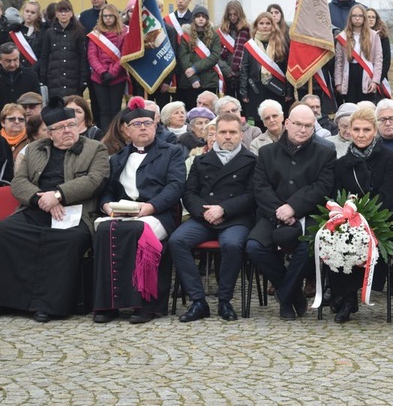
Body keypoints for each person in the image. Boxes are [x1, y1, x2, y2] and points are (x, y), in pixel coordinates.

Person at [0, 96, 109, 322]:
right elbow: (19, 181)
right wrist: (40, 199)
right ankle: (10, 300)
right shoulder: (34, 149)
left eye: (71, 125)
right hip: (36, 208)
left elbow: (95, 180)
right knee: (7, 231)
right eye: (59, 128)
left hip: (75, 212)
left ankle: (48, 306)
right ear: (48, 133)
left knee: (66, 241)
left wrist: (58, 194)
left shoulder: (95, 148)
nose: (67, 131)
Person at [93, 97, 186, 324]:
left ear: (155, 126)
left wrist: (150, 207)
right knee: (104, 231)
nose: (143, 127)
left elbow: (175, 186)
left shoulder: (172, 152)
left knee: (138, 232)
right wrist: (106, 206)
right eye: (137, 124)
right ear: (126, 130)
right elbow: (108, 191)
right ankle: (108, 304)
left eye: (147, 123)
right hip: (123, 212)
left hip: (159, 213)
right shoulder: (117, 159)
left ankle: (145, 305)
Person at [245, 104, 336, 321]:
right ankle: (293, 292)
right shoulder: (267, 152)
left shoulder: (325, 153)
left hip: (309, 215)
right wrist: (280, 210)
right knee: (254, 246)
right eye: (298, 124)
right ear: (287, 123)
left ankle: (284, 295)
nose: (303, 130)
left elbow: (322, 187)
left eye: (309, 126)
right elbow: (260, 187)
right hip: (272, 213)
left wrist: (294, 207)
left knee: (309, 248)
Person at [170, 114, 256, 322]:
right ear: (215, 134)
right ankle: (198, 301)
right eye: (223, 132)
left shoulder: (252, 161)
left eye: (232, 132)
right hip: (204, 218)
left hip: (235, 218)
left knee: (233, 244)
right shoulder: (201, 161)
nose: (228, 136)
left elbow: (253, 195)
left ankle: (224, 300)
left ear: (241, 135)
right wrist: (204, 212)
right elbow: (189, 193)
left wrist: (223, 209)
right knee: (177, 241)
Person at [330, 107, 393, 323]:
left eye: (366, 130)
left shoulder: (390, 158)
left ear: (375, 131)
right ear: (349, 131)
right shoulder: (341, 164)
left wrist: (364, 217)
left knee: (362, 238)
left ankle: (349, 296)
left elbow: (388, 194)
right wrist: (348, 216)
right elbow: (337, 195)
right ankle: (347, 296)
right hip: (349, 218)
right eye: (356, 129)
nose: (361, 134)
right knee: (338, 238)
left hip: (380, 219)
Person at [240, 12, 290, 123]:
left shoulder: (281, 44)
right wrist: (244, 93)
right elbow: (244, 70)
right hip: (256, 89)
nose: (265, 26)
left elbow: (287, 69)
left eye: (268, 23)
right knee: (258, 120)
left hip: (276, 88)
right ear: (256, 25)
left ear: (273, 25)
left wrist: (289, 92)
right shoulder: (250, 45)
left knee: (276, 120)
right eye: (261, 23)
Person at [87, 3, 128, 130]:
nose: (108, 19)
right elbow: (92, 56)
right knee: (103, 110)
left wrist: (112, 72)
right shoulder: (96, 34)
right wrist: (103, 73)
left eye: (110, 16)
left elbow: (124, 55)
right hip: (99, 78)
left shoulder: (124, 33)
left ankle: (116, 136)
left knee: (115, 109)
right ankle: (105, 138)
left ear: (116, 16)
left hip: (118, 77)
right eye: (105, 16)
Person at [38, 0, 89, 100]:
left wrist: (83, 80)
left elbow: (83, 58)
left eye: (66, 11)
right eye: (61, 11)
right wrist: (43, 78)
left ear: (71, 13)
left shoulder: (79, 32)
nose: (64, 14)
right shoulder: (49, 33)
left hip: (73, 80)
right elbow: (44, 56)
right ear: (56, 14)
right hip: (54, 81)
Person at [334, 4, 383, 104]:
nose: (357, 18)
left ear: (364, 17)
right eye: (354, 15)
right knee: (350, 106)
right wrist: (338, 82)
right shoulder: (342, 37)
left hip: (366, 74)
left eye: (360, 16)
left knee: (366, 107)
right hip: (349, 73)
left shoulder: (374, 35)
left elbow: (378, 60)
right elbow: (339, 61)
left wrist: (375, 81)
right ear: (350, 18)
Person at [177, 5, 221, 110]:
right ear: (193, 18)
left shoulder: (214, 36)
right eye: (198, 16)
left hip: (209, 81)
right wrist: (193, 78)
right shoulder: (186, 36)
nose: (201, 19)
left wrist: (195, 68)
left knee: (208, 111)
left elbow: (214, 56)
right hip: (189, 83)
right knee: (191, 111)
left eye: (203, 16)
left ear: (207, 19)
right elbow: (184, 58)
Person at [218, 1, 251, 101]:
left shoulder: (247, 31)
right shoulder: (221, 31)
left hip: (243, 75)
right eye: (230, 14)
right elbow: (216, 54)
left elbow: (250, 53)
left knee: (244, 106)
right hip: (227, 74)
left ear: (240, 14)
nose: (232, 17)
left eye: (235, 14)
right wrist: (227, 70)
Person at [5, 0, 44, 76]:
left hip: (35, 73)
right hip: (17, 72)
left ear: (37, 15)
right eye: (27, 11)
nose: (29, 14)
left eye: (33, 12)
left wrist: (34, 69)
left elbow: (43, 55)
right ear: (23, 12)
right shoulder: (14, 31)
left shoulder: (42, 33)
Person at [0, 43, 40, 111]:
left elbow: (37, 101)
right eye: (8, 61)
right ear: (0, 60)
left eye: (15, 60)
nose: (12, 64)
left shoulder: (31, 76)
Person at [366, 8, 391, 84]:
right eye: (368, 17)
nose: (371, 19)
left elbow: (386, 60)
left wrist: (377, 80)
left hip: (380, 77)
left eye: (373, 17)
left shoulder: (383, 36)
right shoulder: (358, 36)